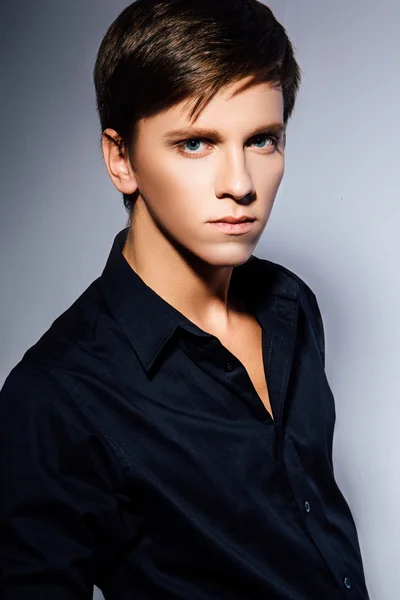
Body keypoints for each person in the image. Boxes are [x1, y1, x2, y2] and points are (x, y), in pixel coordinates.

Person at [0, 1, 370, 598]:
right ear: (122, 159)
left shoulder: (290, 304)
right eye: (196, 144)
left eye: (262, 140)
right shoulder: (54, 399)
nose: (241, 183)